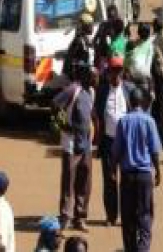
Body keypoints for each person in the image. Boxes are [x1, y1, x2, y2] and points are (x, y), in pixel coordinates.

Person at [112, 88, 162, 252]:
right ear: (142, 103)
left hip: (127, 176)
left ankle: (131, 248)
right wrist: (158, 172)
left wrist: (113, 169)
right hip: (144, 176)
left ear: (129, 102)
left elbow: (116, 151)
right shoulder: (149, 121)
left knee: (128, 217)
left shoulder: (123, 122)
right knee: (145, 215)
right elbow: (154, 151)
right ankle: (143, 248)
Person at [54, 63, 96, 232]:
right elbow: (55, 105)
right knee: (68, 183)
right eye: (93, 75)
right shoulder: (73, 90)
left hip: (86, 144)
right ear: (85, 76)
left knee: (85, 181)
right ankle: (65, 218)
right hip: (71, 145)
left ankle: (80, 217)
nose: (96, 78)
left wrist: (94, 133)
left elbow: (91, 115)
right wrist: (62, 124)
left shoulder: (91, 92)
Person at [94, 57, 134, 226]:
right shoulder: (102, 91)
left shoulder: (129, 90)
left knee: (126, 180)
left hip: (125, 143)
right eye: (112, 71)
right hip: (108, 142)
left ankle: (126, 216)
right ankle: (111, 216)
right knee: (109, 180)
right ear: (108, 73)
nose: (115, 74)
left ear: (123, 72)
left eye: (118, 70)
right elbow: (95, 113)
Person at [127, 23, 154, 101]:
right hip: (143, 80)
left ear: (138, 32)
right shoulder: (150, 46)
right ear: (148, 34)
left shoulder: (131, 44)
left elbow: (127, 63)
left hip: (132, 80)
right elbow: (148, 68)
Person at [64, 14, 95, 81]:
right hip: (80, 79)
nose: (92, 27)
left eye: (92, 24)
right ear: (84, 26)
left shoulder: (87, 39)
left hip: (87, 77)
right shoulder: (79, 41)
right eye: (90, 24)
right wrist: (88, 66)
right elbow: (74, 62)